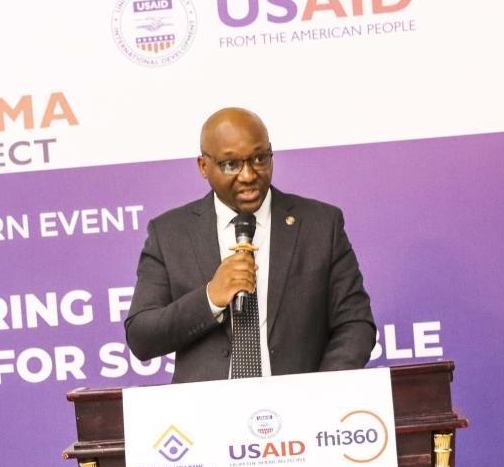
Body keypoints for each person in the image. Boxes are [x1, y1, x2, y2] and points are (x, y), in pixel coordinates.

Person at [125, 107, 375, 383]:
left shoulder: (320, 225)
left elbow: (356, 324)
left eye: (259, 159)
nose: (248, 175)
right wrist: (210, 298)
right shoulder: (169, 233)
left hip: (300, 403)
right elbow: (141, 337)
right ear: (203, 166)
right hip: (204, 407)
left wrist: (319, 391)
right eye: (231, 164)